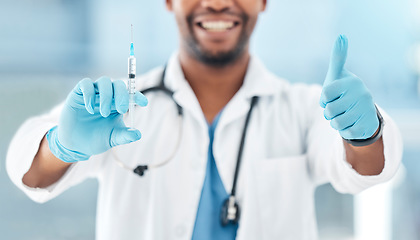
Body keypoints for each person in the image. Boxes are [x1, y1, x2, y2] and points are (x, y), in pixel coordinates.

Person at [6, 0, 402, 239]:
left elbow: (363, 170)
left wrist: (364, 134)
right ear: (168, 2)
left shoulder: (300, 108)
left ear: (263, 1)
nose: (216, 3)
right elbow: (27, 169)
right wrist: (61, 146)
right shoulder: (120, 107)